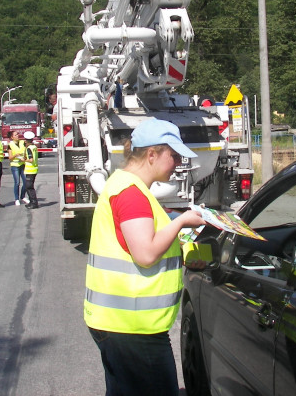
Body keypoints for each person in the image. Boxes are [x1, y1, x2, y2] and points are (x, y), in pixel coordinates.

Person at [84, 118, 205, 396]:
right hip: (131, 328)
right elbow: (146, 253)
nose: (177, 163)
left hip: (122, 324)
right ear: (152, 154)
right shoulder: (131, 193)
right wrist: (181, 221)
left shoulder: (126, 186)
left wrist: (175, 228)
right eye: (173, 155)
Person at [7, 130, 29, 206]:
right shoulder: (10, 145)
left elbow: (26, 150)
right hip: (15, 165)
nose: (17, 136)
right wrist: (15, 155)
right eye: (15, 135)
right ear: (12, 137)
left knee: (26, 181)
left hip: (22, 164)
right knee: (17, 182)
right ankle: (16, 199)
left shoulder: (22, 142)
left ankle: (23, 196)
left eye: (17, 134)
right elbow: (10, 157)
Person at [23, 131, 39, 209]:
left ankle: (33, 202)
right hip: (34, 169)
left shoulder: (29, 148)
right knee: (29, 186)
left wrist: (23, 160)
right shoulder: (34, 147)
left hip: (30, 170)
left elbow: (31, 159)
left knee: (29, 187)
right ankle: (33, 202)